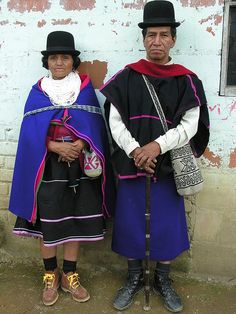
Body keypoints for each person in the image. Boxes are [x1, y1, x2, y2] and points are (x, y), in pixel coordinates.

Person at [100, 1, 209, 312]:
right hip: (133, 162)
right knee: (132, 221)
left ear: (173, 39)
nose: (157, 41)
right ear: (143, 38)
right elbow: (115, 121)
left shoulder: (185, 80)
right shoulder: (127, 77)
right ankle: (133, 277)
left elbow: (190, 124)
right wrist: (136, 149)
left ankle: (163, 278)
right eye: (151, 34)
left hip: (166, 167)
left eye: (163, 34)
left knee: (166, 223)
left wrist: (156, 147)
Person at [9, 31, 115, 306]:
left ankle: (69, 274)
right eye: (53, 58)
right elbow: (31, 132)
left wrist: (80, 143)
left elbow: (94, 124)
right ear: (47, 62)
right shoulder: (38, 91)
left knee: (75, 219)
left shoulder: (84, 88)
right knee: (49, 222)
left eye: (64, 57)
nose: (59, 62)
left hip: (79, 164)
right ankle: (49, 274)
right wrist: (55, 147)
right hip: (48, 166)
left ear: (72, 61)